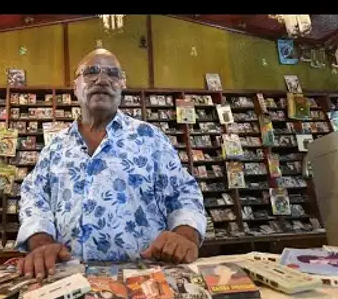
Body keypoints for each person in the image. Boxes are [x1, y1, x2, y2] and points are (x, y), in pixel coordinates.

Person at [15, 48, 206, 279]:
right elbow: (34, 196)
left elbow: (183, 191)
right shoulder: (55, 147)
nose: (102, 79)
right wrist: (41, 243)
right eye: (91, 72)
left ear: (122, 84)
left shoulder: (150, 138)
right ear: (75, 86)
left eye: (113, 74)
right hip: (68, 280)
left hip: (144, 280)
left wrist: (185, 236)